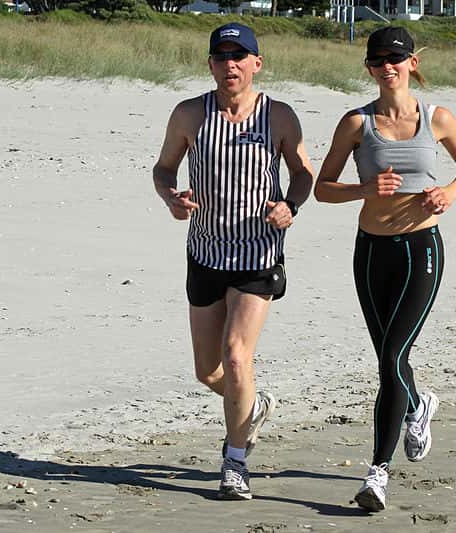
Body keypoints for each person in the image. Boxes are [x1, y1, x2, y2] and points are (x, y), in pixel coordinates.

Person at [314, 26, 456, 512]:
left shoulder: (438, 118)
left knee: (391, 359)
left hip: (421, 250)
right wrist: (364, 190)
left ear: (413, 62)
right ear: (369, 67)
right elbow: (323, 188)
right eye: (379, 59)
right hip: (371, 252)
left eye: (397, 58)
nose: (388, 66)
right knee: (389, 355)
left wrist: (448, 192)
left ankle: (376, 475)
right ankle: (418, 404)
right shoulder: (355, 123)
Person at [152, 22, 314, 501]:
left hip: (257, 255)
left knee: (237, 355)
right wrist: (171, 198)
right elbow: (163, 168)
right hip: (204, 253)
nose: (231, 65)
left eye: (240, 56)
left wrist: (291, 205)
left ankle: (235, 460)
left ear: (256, 64)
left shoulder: (279, 116)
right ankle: (253, 404)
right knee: (209, 372)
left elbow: (303, 172)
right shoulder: (188, 114)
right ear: (210, 65)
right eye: (221, 57)